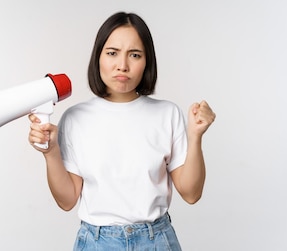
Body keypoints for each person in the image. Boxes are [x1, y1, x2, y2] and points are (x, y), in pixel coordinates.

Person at [28, 12, 216, 250]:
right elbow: (66, 201)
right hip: (96, 243)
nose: (123, 65)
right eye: (112, 53)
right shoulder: (75, 118)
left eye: (134, 55)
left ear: (147, 61)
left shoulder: (167, 114)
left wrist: (196, 136)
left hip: (156, 241)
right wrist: (50, 152)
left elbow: (191, 194)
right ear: (98, 57)